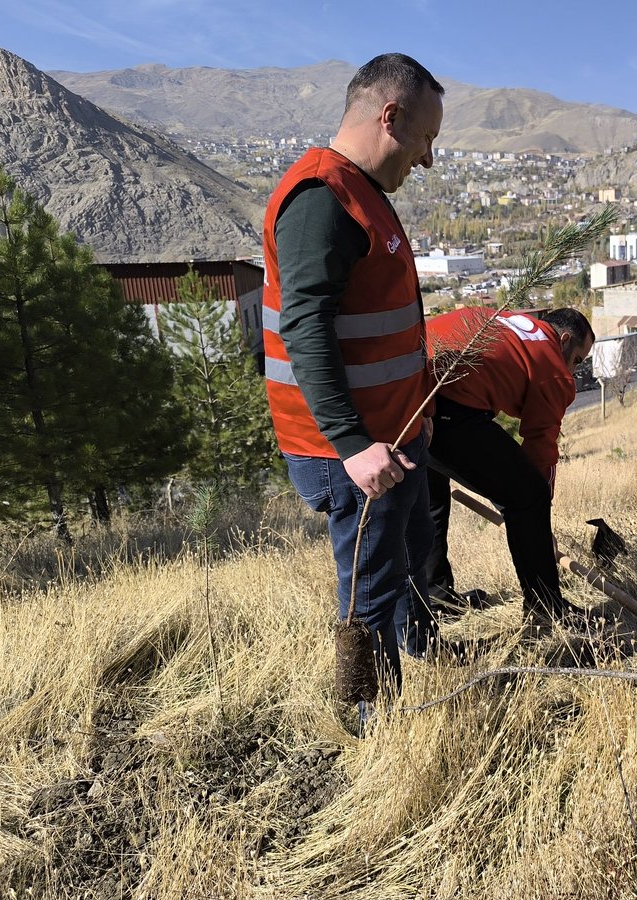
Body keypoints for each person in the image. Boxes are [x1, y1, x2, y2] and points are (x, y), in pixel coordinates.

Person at [261, 53, 445, 732]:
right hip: (354, 450)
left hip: (390, 437)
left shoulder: (362, 192)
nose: (426, 158)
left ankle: (413, 675)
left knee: (400, 563)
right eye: (424, 138)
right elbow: (305, 328)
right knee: (368, 585)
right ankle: (371, 721)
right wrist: (352, 444)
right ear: (389, 116)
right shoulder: (322, 198)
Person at [424, 306, 594, 621]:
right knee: (529, 497)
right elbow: (540, 450)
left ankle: (438, 597)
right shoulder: (552, 365)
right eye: (577, 360)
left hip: (412, 389)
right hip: (449, 405)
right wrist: (538, 523)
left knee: (431, 501)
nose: (572, 371)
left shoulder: (514, 323)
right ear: (565, 339)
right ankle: (546, 608)